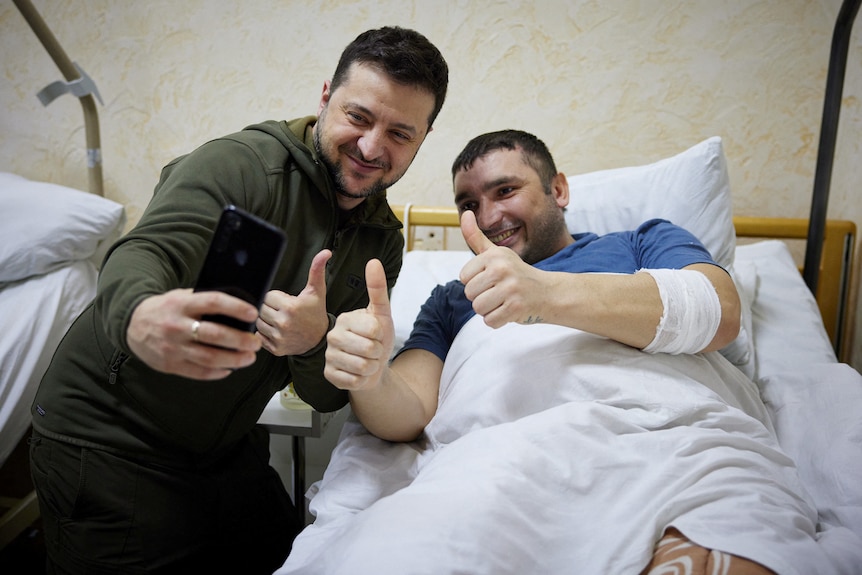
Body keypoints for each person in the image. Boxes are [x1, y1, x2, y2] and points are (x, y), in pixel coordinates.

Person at [28, 26, 448, 574]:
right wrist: (140, 315)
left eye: (400, 133)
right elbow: (145, 252)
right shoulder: (245, 167)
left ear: (422, 138)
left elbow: (324, 396)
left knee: (293, 556)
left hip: (224, 449)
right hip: (110, 439)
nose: (372, 148)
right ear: (325, 97)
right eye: (359, 117)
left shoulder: (380, 241)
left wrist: (311, 341)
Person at [320, 130, 798, 574]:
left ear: (559, 190)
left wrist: (543, 294)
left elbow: (718, 311)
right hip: (500, 458)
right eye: (469, 203)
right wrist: (369, 374)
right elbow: (407, 415)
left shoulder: (641, 242)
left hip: (673, 441)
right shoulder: (453, 297)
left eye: (504, 191)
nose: (487, 218)